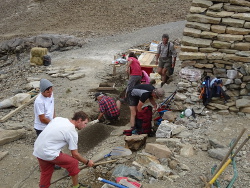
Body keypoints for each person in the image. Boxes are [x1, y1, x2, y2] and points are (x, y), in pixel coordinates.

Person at [33, 111, 94, 188]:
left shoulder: (59, 119)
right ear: (79, 120)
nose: (85, 126)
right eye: (85, 123)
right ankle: (76, 186)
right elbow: (75, 154)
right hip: (48, 151)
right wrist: (87, 162)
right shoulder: (72, 132)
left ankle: (43, 186)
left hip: (38, 148)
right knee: (74, 162)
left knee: (46, 171)